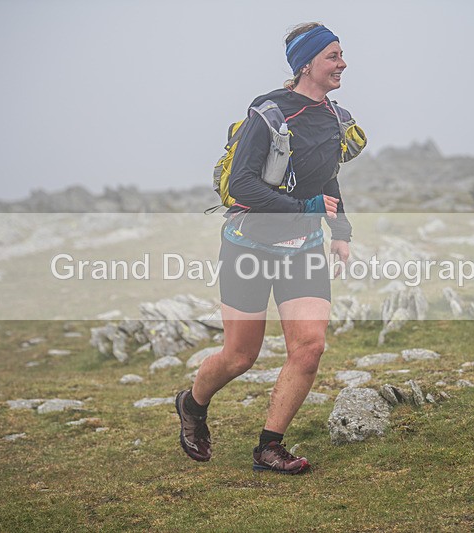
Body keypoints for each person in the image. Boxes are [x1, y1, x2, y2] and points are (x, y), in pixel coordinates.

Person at [175, 22, 358, 474]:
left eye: (341, 54)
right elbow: (242, 185)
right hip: (249, 246)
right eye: (333, 56)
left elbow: (326, 177)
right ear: (306, 64)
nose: (343, 63)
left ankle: (269, 447)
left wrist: (340, 230)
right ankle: (193, 404)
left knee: (310, 347)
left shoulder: (333, 117)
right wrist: (303, 208)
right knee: (240, 355)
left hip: (303, 249)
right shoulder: (269, 113)